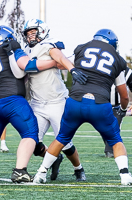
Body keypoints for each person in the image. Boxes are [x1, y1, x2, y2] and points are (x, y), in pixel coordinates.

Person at [33, 29, 132, 186]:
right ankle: (125, 176)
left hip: (75, 102)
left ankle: (41, 173)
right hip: (100, 104)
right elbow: (124, 95)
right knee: (115, 140)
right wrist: (123, 109)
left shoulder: (81, 48)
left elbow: (61, 63)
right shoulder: (118, 59)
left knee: (61, 138)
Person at [5, 19, 88, 182]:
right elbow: (27, 68)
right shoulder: (25, 51)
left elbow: (59, 56)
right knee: (32, 140)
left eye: (33, 31)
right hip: (37, 103)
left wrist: (71, 68)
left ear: (42, 31)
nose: (30, 35)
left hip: (57, 101)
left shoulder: (48, 44)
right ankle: (52, 160)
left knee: (64, 142)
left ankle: (79, 169)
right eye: (27, 33)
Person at [0, 25, 57, 183]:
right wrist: (52, 63)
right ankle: (20, 171)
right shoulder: (10, 46)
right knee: (30, 134)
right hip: (11, 99)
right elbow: (21, 70)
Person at [104, 66, 132, 158]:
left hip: (117, 106)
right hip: (101, 103)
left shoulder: (125, 70)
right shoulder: (99, 67)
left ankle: (110, 150)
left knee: (114, 128)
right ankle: (111, 148)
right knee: (104, 129)